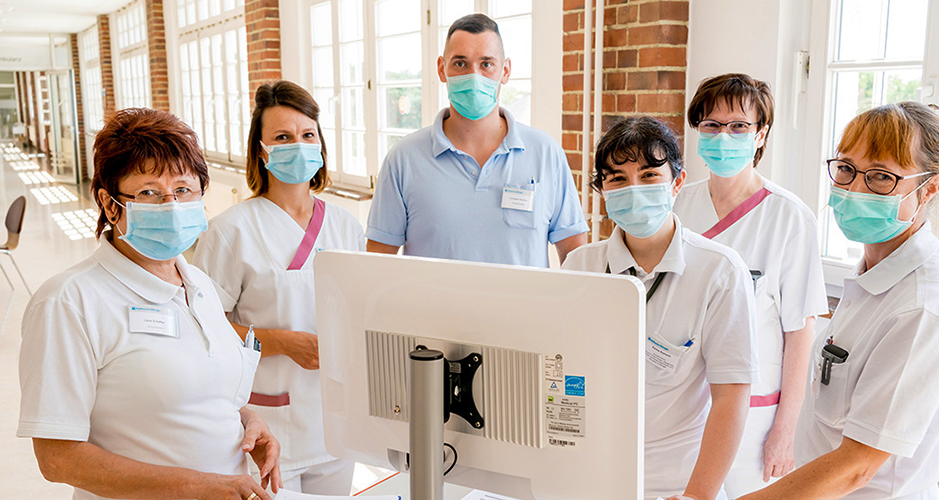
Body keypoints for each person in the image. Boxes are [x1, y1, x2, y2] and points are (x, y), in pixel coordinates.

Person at [17, 108, 282, 500]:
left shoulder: (200, 284)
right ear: (110, 205)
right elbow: (57, 458)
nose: (171, 205)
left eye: (183, 190)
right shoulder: (69, 302)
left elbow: (200, 394)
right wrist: (196, 486)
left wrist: (247, 421)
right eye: (148, 193)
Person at [738, 102, 939, 500]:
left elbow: (857, 467)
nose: (854, 189)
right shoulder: (871, 275)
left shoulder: (924, 307)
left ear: (930, 187)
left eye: (881, 177)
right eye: (846, 169)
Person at [562, 116, 758, 500]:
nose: (633, 189)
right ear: (602, 190)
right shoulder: (580, 266)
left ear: (677, 183)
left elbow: (732, 395)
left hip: (673, 484)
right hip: (587, 476)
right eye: (617, 179)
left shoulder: (719, 271)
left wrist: (697, 495)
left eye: (649, 175)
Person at [193, 81, 363, 495]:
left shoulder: (345, 225)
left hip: (336, 420)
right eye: (283, 137)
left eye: (308, 135)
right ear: (261, 151)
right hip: (265, 426)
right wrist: (280, 342)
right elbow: (202, 332)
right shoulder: (230, 232)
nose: (298, 145)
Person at [673, 74, 827, 496]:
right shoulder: (677, 204)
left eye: (739, 126)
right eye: (711, 125)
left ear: (761, 136)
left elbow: (799, 332)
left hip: (754, 414)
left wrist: (785, 428)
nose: (724, 136)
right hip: (681, 402)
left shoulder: (790, 218)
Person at [366, 13, 588, 267]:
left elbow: (576, 255)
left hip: (523, 308)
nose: (474, 76)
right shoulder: (403, 158)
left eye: (486, 64)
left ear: (505, 71)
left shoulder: (545, 152)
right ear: (442, 69)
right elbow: (378, 263)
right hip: (431, 309)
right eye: (460, 64)